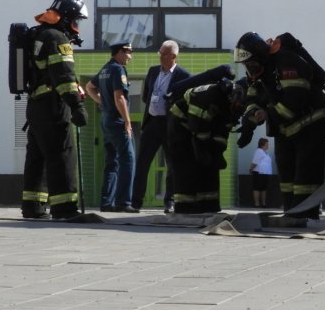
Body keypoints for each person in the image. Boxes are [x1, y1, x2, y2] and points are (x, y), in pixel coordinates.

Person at [234, 31, 325, 218]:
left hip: (309, 125)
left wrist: (265, 113)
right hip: (285, 128)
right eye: (246, 65)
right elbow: (253, 96)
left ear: (260, 57)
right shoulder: (262, 70)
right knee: (286, 177)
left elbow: (291, 106)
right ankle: (290, 213)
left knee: (305, 177)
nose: (249, 68)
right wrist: (250, 121)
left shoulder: (287, 61)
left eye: (250, 63)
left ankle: (305, 216)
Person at [20, 0, 89, 221]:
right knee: (61, 155)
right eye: (75, 21)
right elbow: (64, 77)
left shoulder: (37, 34)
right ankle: (65, 208)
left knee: (37, 157)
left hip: (35, 106)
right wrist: (77, 107)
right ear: (66, 17)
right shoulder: (57, 38)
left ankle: (33, 206)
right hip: (53, 107)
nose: (76, 27)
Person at [167, 67, 246, 213]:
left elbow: (221, 134)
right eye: (239, 105)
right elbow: (198, 128)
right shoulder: (209, 95)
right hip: (181, 126)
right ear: (232, 97)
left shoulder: (230, 108)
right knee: (186, 164)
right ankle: (185, 205)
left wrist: (217, 154)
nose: (239, 108)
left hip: (200, 128)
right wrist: (202, 151)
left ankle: (209, 204)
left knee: (211, 166)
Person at [131, 40, 190, 213]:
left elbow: (185, 102)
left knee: (172, 164)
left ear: (174, 56)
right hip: (152, 123)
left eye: (165, 54)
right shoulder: (153, 71)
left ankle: (169, 201)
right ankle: (136, 202)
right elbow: (145, 96)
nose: (161, 57)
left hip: (170, 124)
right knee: (142, 163)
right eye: (160, 53)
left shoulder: (183, 75)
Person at [86, 41, 137, 212]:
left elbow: (89, 87)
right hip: (117, 121)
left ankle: (107, 203)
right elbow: (119, 97)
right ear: (119, 53)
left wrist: (102, 102)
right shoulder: (117, 69)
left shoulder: (105, 68)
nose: (130, 56)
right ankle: (124, 202)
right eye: (128, 52)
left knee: (112, 162)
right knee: (128, 160)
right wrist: (128, 121)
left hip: (106, 120)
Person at [251, 137, 273, 207]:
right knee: (257, 188)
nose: (268, 145)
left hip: (265, 173)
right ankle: (257, 204)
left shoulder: (265, 152)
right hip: (258, 172)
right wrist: (250, 169)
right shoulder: (258, 151)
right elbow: (254, 162)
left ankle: (263, 203)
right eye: (266, 144)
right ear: (262, 145)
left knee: (264, 188)